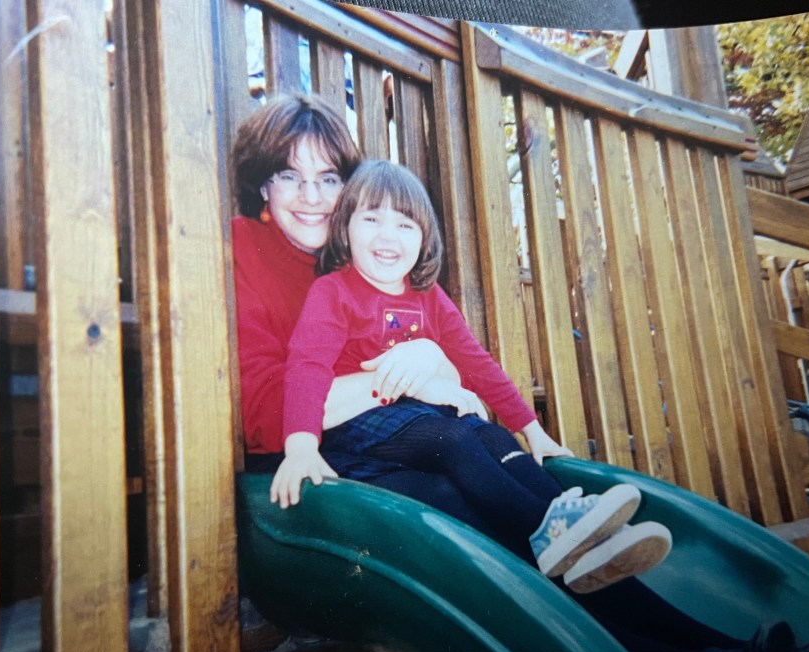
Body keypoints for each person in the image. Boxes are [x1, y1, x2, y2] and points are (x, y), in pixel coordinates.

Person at [232, 92, 809, 652]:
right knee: (479, 521)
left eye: (329, 177)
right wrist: (408, 374)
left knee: (523, 512)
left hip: (402, 441)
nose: (311, 195)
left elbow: (463, 361)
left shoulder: (372, 264)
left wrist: (488, 404)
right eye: (288, 175)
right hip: (316, 478)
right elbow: (263, 412)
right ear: (262, 186)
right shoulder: (250, 249)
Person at [270, 158, 672, 590]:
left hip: (415, 422)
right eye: (371, 219)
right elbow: (307, 368)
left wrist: (532, 431)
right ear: (345, 228)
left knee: (488, 433)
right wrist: (300, 447)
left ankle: (579, 527)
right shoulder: (335, 291)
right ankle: (550, 530)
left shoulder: (429, 297)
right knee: (456, 437)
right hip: (358, 432)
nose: (388, 236)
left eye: (406, 225)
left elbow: (477, 363)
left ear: (424, 238)